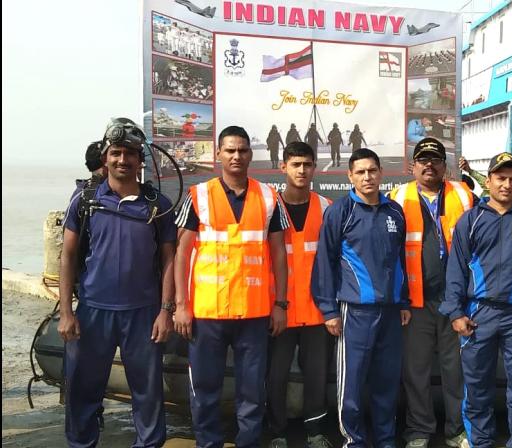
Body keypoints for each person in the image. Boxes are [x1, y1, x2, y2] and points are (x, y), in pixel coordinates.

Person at [59, 118, 176, 447]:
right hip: (93, 311)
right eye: (116, 153)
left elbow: (169, 260)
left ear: (141, 161)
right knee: (82, 389)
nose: (122, 160)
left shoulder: (157, 206)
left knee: (148, 394)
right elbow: (67, 256)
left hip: (143, 313)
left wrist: (166, 310)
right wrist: (67, 312)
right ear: (105, 157)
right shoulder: (84, 202)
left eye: (130, 154)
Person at [174, 125, 289, 448]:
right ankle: (207, 443)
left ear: (250, 155)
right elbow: (182, 253)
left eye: (242, 150)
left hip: (254, 314)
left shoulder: (269, 197)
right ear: (218, 154)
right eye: (230, 150)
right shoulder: (199, 196)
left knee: (252, 392)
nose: (236, 156)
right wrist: (181, 305)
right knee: (205, 391)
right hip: (207, 314)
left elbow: (279, 253)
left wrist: (281, 304)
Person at [441, 152, 512, 448]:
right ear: (489, 180)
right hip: (479, 314)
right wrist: (455, 312)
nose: (507, 184)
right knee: (477, 387)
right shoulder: (471, 219)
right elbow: (456, 267)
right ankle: (480, 442)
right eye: (501, 178)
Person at [312, 148, 410, 448]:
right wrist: (329, 310)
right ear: (350, 176)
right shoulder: (340, 212)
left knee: (387, 383)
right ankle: (353, 441)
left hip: (391, 313)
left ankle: (385, 440)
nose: (367, 177)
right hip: (354, 312)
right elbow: (324, 262)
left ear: (381, 173)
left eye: (372, 171)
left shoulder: (395, 212)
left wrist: (403, 300)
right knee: (351, 385)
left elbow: (400, 259)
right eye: (361, 172)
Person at [389, 138, 476, 448]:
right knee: (416, 370)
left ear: (445, 166)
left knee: (456, 371)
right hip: (414, 301)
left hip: (454, 301)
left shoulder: (464, 195)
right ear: (413, 166)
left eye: (435, 160)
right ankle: (419, 431)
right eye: (422, 160)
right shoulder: (396, 198)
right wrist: (399, 298)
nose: (429, 165)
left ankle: (457, 430)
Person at [268, 142, 333, 448]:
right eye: (295, 164)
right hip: (279, 310)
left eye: (307, 164)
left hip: (316, 311)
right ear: (283, 167)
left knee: (317, 376)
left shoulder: (327, 208)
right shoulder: (269, 206)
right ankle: (277, 433)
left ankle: (315, 432)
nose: (302, 170)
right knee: (276, 375)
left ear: (314, 168)